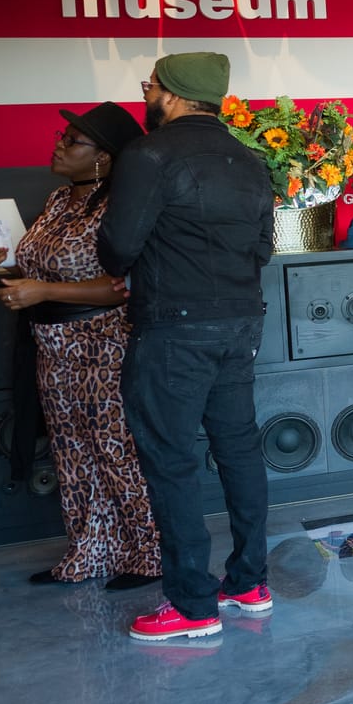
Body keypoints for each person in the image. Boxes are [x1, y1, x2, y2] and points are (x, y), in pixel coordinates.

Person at [98, 52, 277, 643]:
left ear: (170, 94)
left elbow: (118, 248)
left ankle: (193, 604)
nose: (145, 91)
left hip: (173, 328)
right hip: (241, 323)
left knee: (171, 459)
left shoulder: (147, 156)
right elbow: (263, 248)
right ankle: (249, 582)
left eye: (149, 84)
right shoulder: (251, 161)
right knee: (239, 450)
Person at [0, 101, 159, 590]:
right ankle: (89, 550)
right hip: (53, 343)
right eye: (63, 135)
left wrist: (44, 291)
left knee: (116, 448)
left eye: (72, 140)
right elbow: (41, 270)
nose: (59, 144)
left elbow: (121, 285)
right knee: (71, 449)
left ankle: (148, 553)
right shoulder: (59, 200)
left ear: (104, 156)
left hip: (105, 340)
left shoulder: (121, 204)